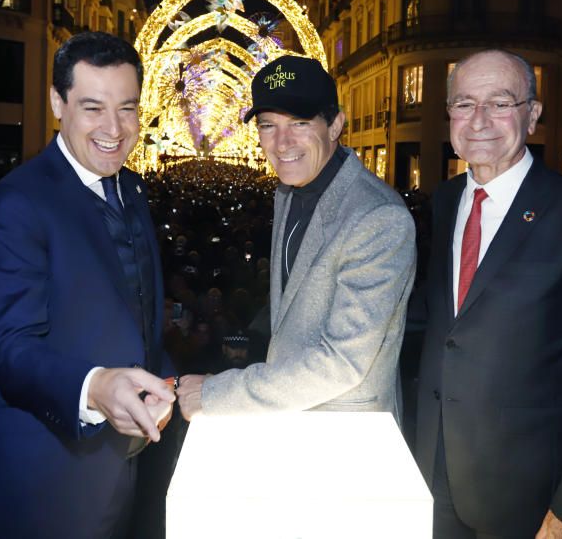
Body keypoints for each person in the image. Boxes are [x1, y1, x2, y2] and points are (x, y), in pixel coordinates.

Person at [414, 49, 562, 538]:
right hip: (436, 473)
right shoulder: (447, 200)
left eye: (500, 102)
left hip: (531, 499)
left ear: (532, 116)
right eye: (464, 103)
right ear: (448, 114)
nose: (479, 120)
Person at [0, 32, 175, 539]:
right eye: (92, 108)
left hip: (120, 471)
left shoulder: (130, 186)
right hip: (46, 487)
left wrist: (167, 384)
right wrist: (95, 386)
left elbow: (137, 310)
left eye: (127, 108)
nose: (114, 129)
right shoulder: (17, 203)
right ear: (57, 102)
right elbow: (10, 350)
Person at [177, 54, 416, 423]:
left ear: (335, 124)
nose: (282, 142)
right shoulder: (288, 192)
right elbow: (294, 305)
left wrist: (218, 394)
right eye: (268, 125)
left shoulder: (377, 217)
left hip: (345, 434)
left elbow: (342, 363)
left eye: (300, 122)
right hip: (289, 415)